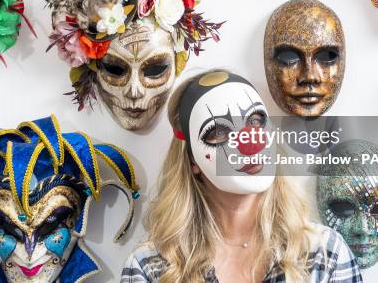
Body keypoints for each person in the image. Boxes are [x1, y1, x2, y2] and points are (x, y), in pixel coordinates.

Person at [121, 70, 362, 283]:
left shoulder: (325, 254)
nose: (249, 142)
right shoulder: (150, 268)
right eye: (218, 131)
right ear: (193, 160)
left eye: (256, 121)